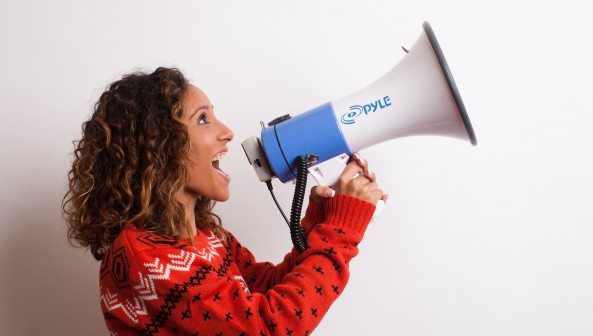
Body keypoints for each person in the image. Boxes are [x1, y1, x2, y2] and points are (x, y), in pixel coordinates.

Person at [63, 67, 387, 335]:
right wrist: (341, 230)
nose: (228, 132)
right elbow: (269, 328)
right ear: (158, 144)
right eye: (202, 119)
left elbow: (266, 289)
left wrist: (323, 217)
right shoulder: (144, 259)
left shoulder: (210, 238)